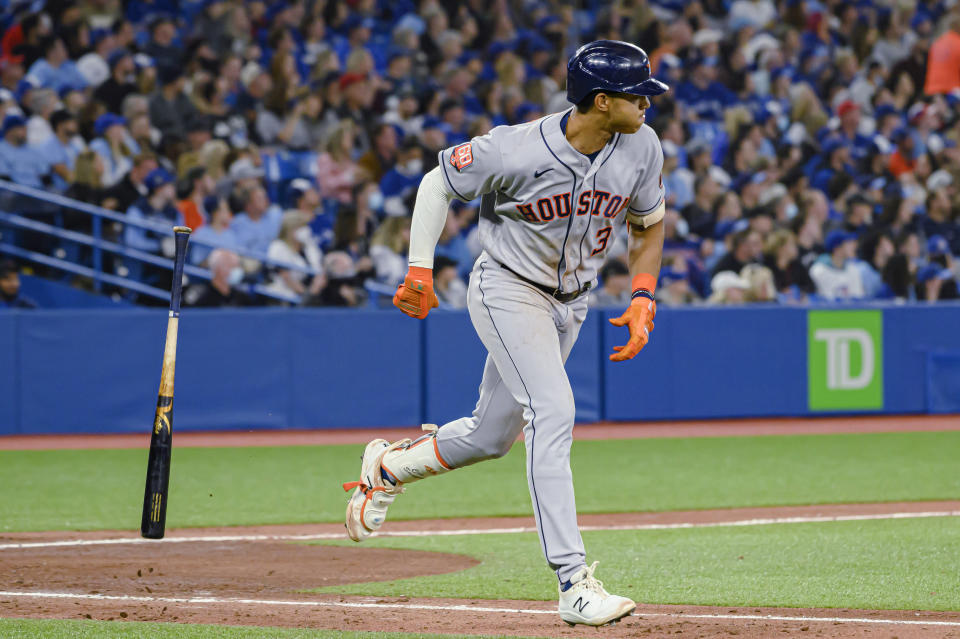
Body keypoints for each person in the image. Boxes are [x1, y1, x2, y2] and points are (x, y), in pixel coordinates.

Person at [341, 40, 667, 627]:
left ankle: (389, 467)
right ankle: (573, 584)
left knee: (492, 436)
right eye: (636, 93)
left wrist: (643, 291)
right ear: (601, 101)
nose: (648, 103)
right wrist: (419, 266)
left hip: (573, 302)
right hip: (508, 289)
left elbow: (649, 225)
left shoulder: (642, 146)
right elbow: (436, 184)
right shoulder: (514, 147)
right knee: (553, 409)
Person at [264, 210, 324, 299]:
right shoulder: (278, 246)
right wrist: (307, 294)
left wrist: (314, 291)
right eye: (301, 226)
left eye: (306, 226)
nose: (306, 230)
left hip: (312, 292)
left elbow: (320, 270)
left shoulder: (309, 245)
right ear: (290, 229)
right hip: (285, 292)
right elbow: (285, 277)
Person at [809, 230, 865, 301]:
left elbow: (859, 298)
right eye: (848, 243)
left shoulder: (853, 269)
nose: (854, 246)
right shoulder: (818, 271)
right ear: (837, 248)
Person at [185, 249, 250, 307]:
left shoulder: (242, 298)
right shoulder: (201, 296)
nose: (237, 271)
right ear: (219, 269)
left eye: (238, 266)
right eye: (232, 266)